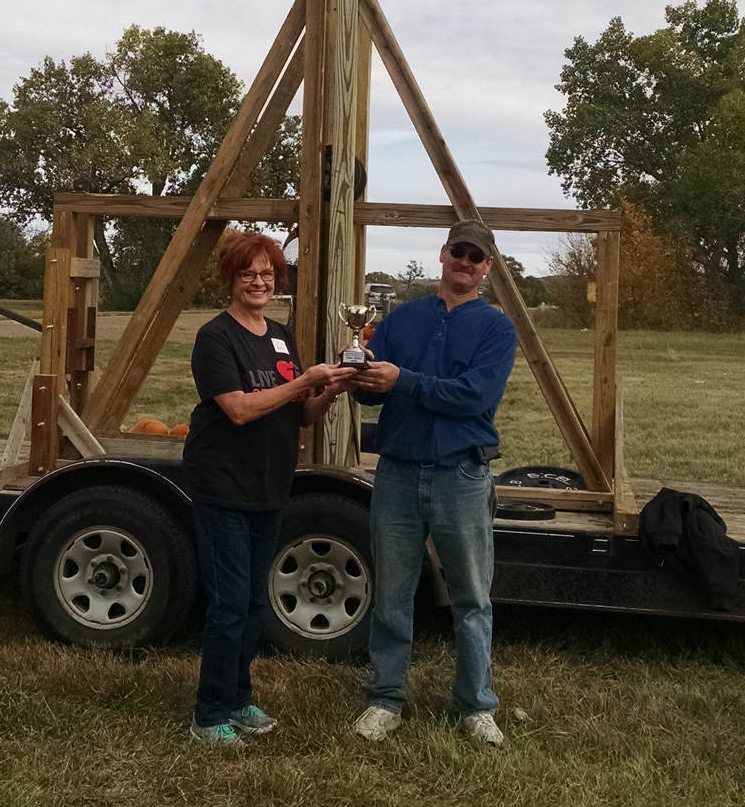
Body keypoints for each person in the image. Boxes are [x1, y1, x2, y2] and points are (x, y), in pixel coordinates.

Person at [182, 231, 356, 745]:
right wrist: (304, 382)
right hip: (223, 486)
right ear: (231, 281)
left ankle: (238, 699)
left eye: (267, 274)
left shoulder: (280, 334)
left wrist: (329, 391)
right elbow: (237, 409)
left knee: (254, 603)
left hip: (268, 485)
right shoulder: (215, 337)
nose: (259, 282)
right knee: (229, 604)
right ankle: (209, 714)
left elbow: (300, 415)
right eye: (248, 274)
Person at [348, 219, 517, 746]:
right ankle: (385, 698)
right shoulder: (401, 319)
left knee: (471, 598)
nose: (465, 262)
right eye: (458, 252)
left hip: (462, 474)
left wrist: (404, 379)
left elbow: (473, 397)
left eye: (476, 256)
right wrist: (361, 373)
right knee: (393, 595)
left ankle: (475, 706)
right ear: (442, 255)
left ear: (487, 267)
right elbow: (373, 397)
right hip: (396, 471)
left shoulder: (497, 328)